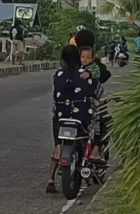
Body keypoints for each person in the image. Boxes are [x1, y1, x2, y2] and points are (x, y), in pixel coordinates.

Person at [46, 45, 96, 194]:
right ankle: (94, 154)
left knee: (58, 143)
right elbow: (96, 92)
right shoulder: (85, 75)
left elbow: (56, 97)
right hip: (82, 119)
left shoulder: (58, 75)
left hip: (61, 119)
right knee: (97, 128)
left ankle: (51, 178)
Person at [79, 45, 107, 162]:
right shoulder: (79, 69)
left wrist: (89, 74)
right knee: (103, 124)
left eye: (88, 58)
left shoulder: (92, 68)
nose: (85, 59)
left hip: (85, 105)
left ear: (92, 59)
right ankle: (95, 151)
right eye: (83, 57)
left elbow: (97, 72)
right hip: (87, 108)